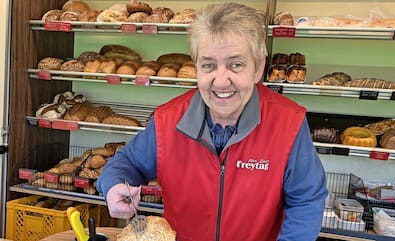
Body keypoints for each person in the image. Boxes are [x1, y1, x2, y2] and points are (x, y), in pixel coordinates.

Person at [97, 2, 328, 241]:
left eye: (235, 65)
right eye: (208, 65)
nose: (220, 81)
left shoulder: (288, 123)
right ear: (196, 66)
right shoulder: (168, 121)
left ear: (258, 67)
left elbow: (306, 199)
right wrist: (114, 186)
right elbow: (126, 163)